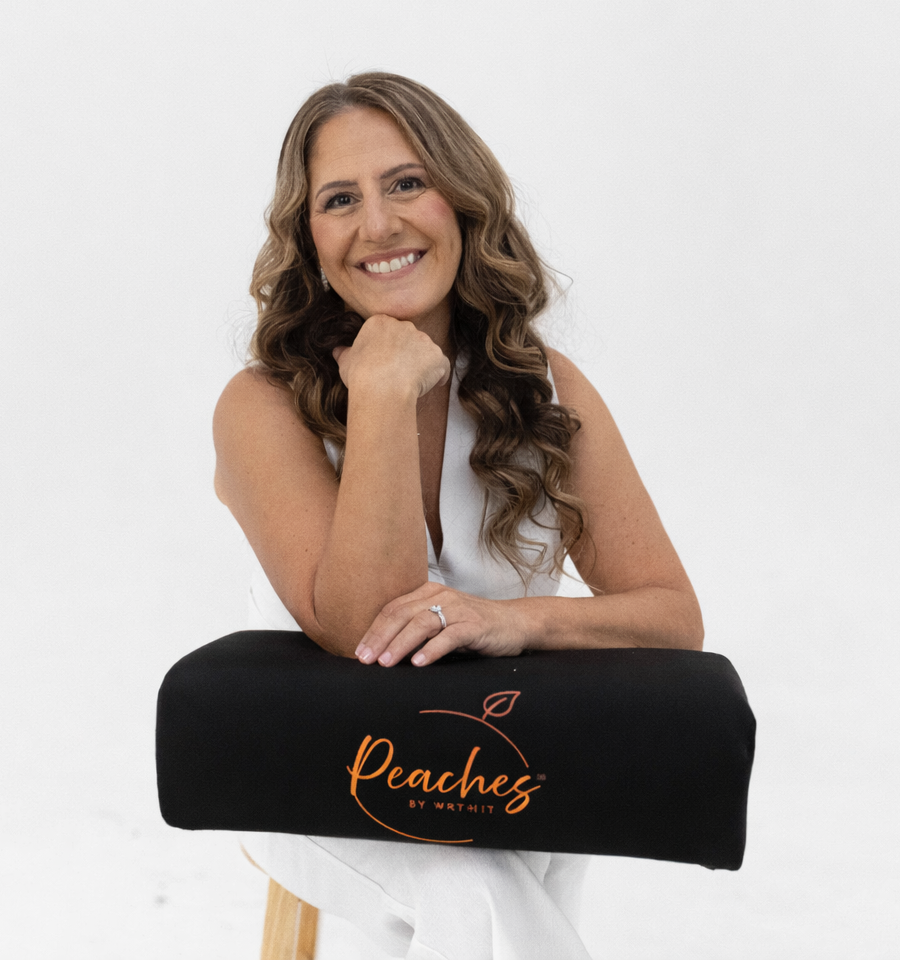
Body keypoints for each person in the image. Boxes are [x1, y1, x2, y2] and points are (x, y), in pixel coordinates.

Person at [213, 72, 703, 960]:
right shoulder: (262, 408)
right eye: (339, 200)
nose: (379, 225)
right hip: (325, 777)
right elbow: (363, 623)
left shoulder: (545, 389)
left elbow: (672, 617)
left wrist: (511, 622)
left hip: (508, 771)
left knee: (496, 885)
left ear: (462, 200)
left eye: (406, 182)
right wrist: (383, 395)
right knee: (474, 898)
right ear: (309, 239)